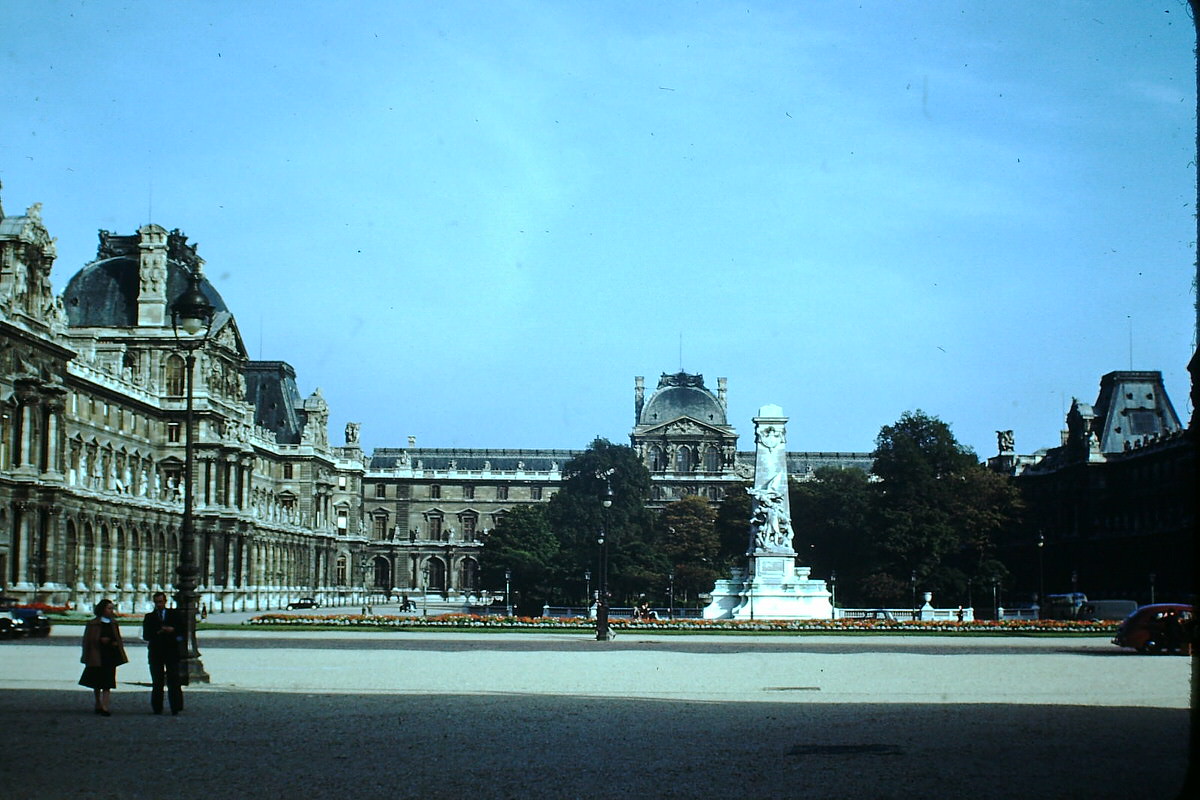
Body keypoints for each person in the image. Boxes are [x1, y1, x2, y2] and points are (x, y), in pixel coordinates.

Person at [79, 599, 128, 716]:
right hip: (97, 654)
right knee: (96, 682)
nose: (111, 611)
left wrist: (115, 644)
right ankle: (98, 703)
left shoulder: (113, 623)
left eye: (112, 608)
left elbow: (118, 639)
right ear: (102, 609)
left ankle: (105, 705)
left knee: (108, 682)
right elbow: (87, 640)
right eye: (109, 608)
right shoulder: (93, 624)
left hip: (109, 655)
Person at [142, 592, 184, 715]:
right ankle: (157, 707)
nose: (158, 604)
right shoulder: (149, 617)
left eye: (160, 602)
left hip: (171, 651)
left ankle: (175, 707)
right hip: (156, 652)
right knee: (157, 681)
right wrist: (159, 632)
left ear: (165, 601)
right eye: (156, 602)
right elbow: (146, 635)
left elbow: (182, 630)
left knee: (174, 680)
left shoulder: (174, 614)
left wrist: (173, 630)